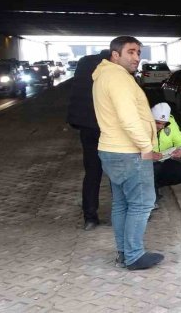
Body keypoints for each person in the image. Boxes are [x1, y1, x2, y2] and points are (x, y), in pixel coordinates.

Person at [92, 36, 163, 270]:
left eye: (139, 52)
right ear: (115, 55)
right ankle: (134, 256)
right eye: (131, 52)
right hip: (129, 151)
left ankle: (124, 253)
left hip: (111, 150)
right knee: (142, 204)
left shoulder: (105, 75)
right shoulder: (118, 78)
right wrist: (146, 147)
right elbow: (128, 118)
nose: (136, 57)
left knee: (122, 204)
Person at [67, 49, 111, 231]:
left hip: (86, 128)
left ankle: (90, 218)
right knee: (118, 171)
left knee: (92, 172)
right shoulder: (111, 70)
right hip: (107, 128)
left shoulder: (83, 66)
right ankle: (122, 215)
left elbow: (76, 99)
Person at [151, 102, 181, 209]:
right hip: (144, 162)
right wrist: (149, 155)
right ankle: (151, 192)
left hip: (164, 159)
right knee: (153, 170)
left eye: (164, 124)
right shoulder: (141, 124)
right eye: (158, 123)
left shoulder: (171, 122)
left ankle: (154, 185)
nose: (161, 126)